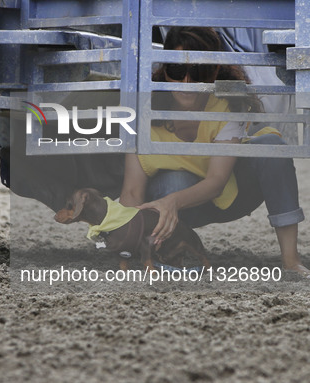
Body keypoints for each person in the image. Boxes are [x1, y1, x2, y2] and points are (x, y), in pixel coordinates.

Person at [119, 26, 309, 276]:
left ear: (214, 72)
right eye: (177, 70)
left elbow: (217, 181)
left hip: (230, 194)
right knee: (175, 181)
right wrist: (126, 243)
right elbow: (131, 193)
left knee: (272, 149)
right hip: (174, 203)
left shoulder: (229, 100)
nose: (187, 82)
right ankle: (173, 249)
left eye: (199, 72)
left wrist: (171, 202)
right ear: (165, 70)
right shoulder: (142, 111)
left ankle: (290, 260)